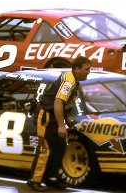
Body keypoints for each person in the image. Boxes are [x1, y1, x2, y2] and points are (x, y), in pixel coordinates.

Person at [27, 56, 92, 191]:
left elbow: (65, 104)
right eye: (86, 69)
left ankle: (50, 178)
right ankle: (34, 180)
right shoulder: (69, 81)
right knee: (46, 148)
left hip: (54, 116)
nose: (88, 72)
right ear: (77, 68)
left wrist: (67, 121)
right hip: (46, 116)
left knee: (60, 147)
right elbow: (58, 102)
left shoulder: (74, 80)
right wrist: (61, 126)